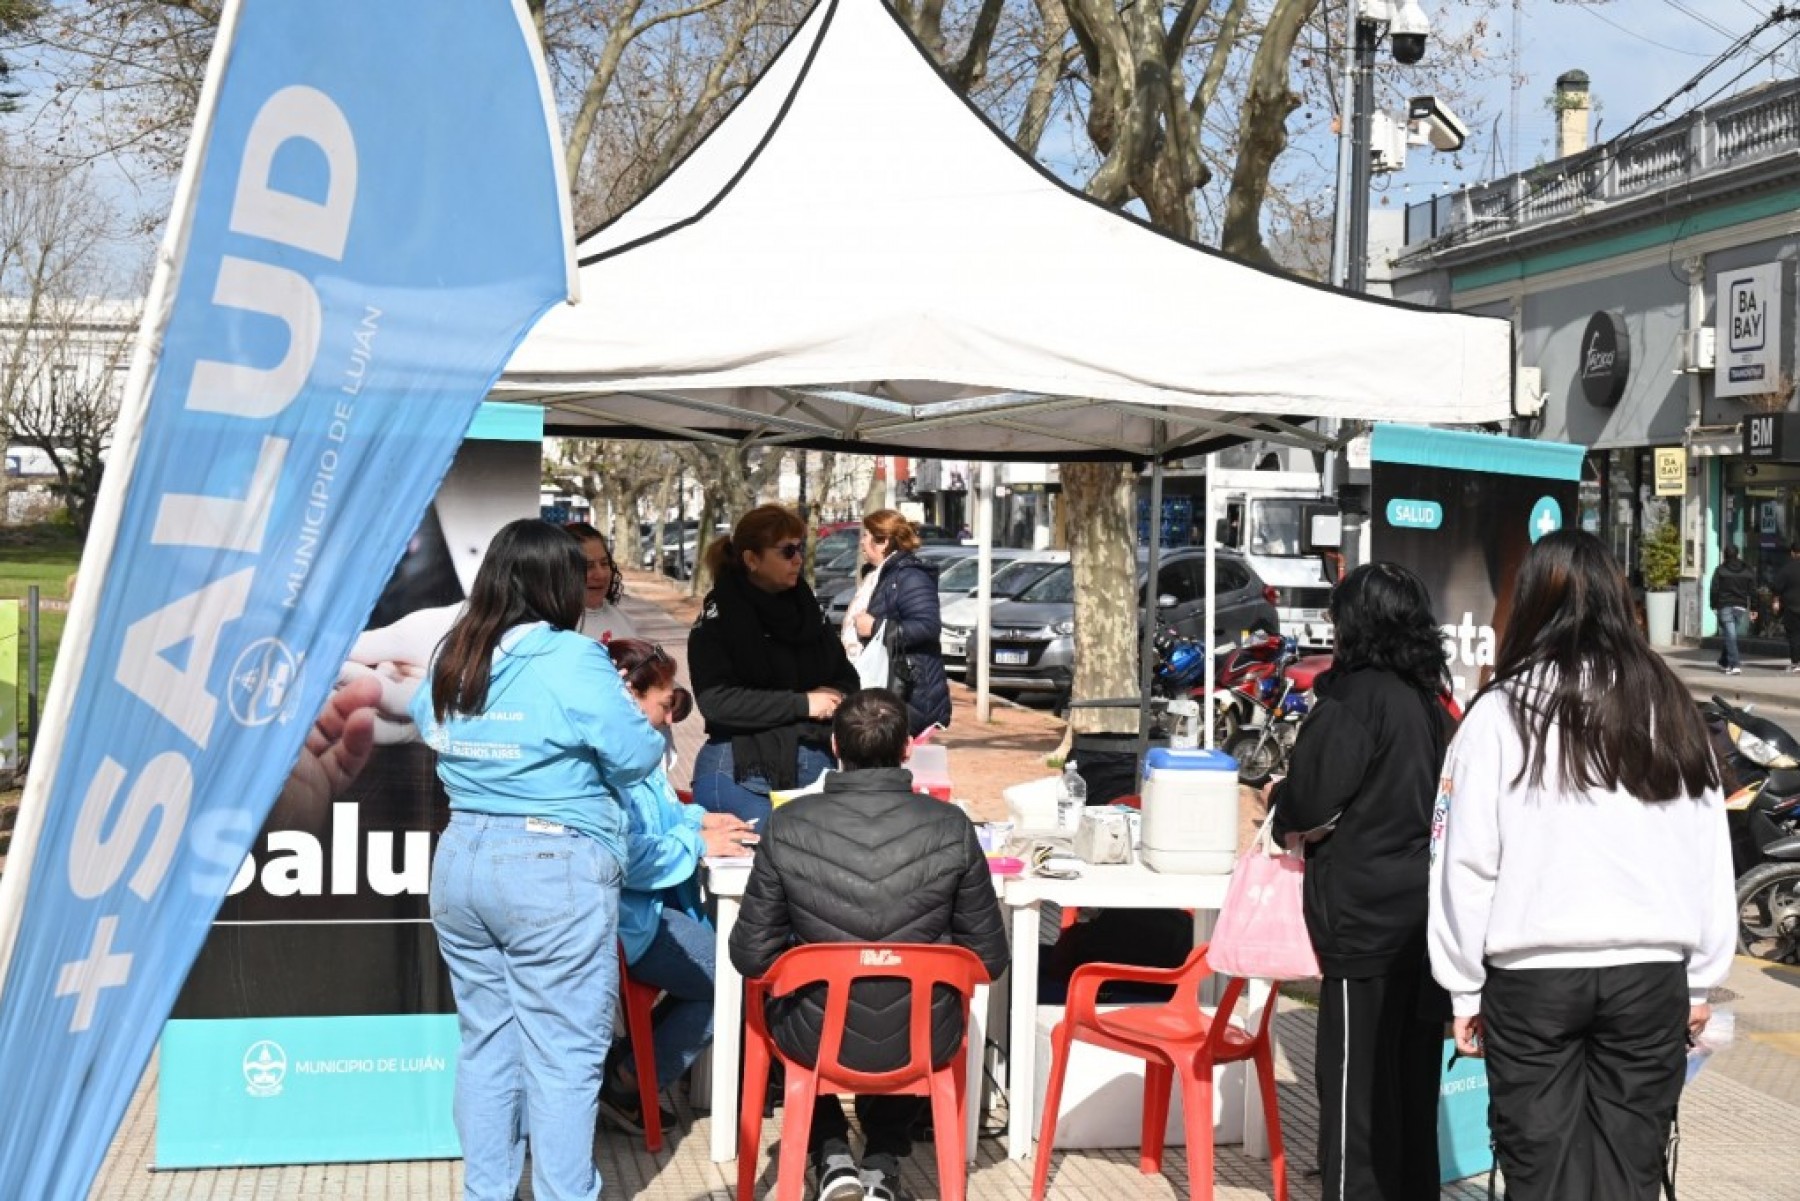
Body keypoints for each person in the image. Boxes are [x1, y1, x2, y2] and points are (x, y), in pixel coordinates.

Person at [1429, 530, 1734, 1201]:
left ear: (1532, 604)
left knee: (1539, 1175)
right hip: (1651, 974)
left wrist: (1464, 987)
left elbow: (1464, 862)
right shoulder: (1672, 704)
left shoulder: (1500, 711)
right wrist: (1704, 976)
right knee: (1630, 1175)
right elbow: (1708, 850)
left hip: (1534, 978)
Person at [413, 518, 667, 1201]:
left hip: (462, 856)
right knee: (562, 1056)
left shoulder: (459, 646)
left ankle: (487, 1191)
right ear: (552, 584)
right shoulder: (570, 657)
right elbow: (639, 754)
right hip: (552, 863)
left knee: (488, 1043)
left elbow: (428, 724)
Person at [729, 688, 1009, 1201]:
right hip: (925, 1041)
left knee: (780, 1008)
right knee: (916, 1008)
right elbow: (987, 960)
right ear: (907, 747)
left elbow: (750, 956)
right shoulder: (951, 825)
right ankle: (880, 1163)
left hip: (815, 1038)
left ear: (836, 746)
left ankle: (833, 1154)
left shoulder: (789, 824)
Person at [1266, 562, 1457, 1201]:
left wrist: (1280, 800)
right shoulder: (1429, 701)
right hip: (1424, 921)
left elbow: (1309, 806)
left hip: (1364, 921)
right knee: (1408, 1090)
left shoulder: (1353, 698)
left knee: (1354, 1096)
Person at [599, 638, 755, 1134]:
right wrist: (699, 840)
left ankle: (630, 1070)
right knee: (735, 976)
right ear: (630, 696)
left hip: (643, 913)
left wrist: (702, 819)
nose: (671, 720)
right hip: (632, 922)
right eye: (665, 706)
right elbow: (633, 857)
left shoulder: (633, 754)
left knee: (724, 971)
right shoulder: (611, 762)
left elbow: (661, 814)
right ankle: (628, 1080)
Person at [688, 504, 861, 824]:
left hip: (814, 767)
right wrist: (803, 703)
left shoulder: (807, 610)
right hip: (743, 771)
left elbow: (846, 675)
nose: (798, 558)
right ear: (751, 559)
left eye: (801, 548)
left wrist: (835, 693)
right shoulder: (720, 618)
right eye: (787, 551)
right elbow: (717, 701)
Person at [846, 509, 951, 735]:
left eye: (866, 536)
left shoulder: (910, 576)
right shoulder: (882, 575)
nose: (862, 542)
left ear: (882, 542)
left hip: (910, 693)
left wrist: (875, 628)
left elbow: (927, 626)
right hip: (889, 689)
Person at [565, 522, 639, 645]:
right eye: (588, 566)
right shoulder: (554, 630)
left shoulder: (622, 620)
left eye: (604, 564)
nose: (600, 575)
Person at [1709, 543, 1756, 674]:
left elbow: (1714, 589)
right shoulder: (1747, 570)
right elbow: (1753, 590)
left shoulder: (1720, 570)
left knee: (1730, 635)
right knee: (1730, 634)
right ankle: (1724, 661)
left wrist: (1713, 605)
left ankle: (1735, 664)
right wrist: (1754, 608)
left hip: (1724, 605)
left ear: (1725, 555)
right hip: (1740, 606)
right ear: (1738, 554)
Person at [1770, 541, 1800, 673]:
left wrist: (1776, 602)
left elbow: (1777, 587)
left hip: (1792, 607)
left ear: (1793, 553)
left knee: (1794, 635)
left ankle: (1796, 663)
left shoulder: (1786, 569)